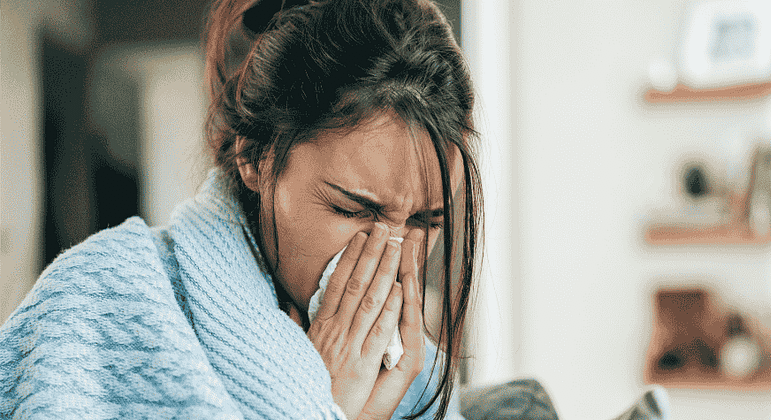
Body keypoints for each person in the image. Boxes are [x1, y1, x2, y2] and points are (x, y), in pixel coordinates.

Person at [0, 0, 483, 419]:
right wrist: (318, 403)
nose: (391, 258)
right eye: (353, 210)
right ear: (254, 156)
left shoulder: (416, 377)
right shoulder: (99, 301)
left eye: (425, 221)